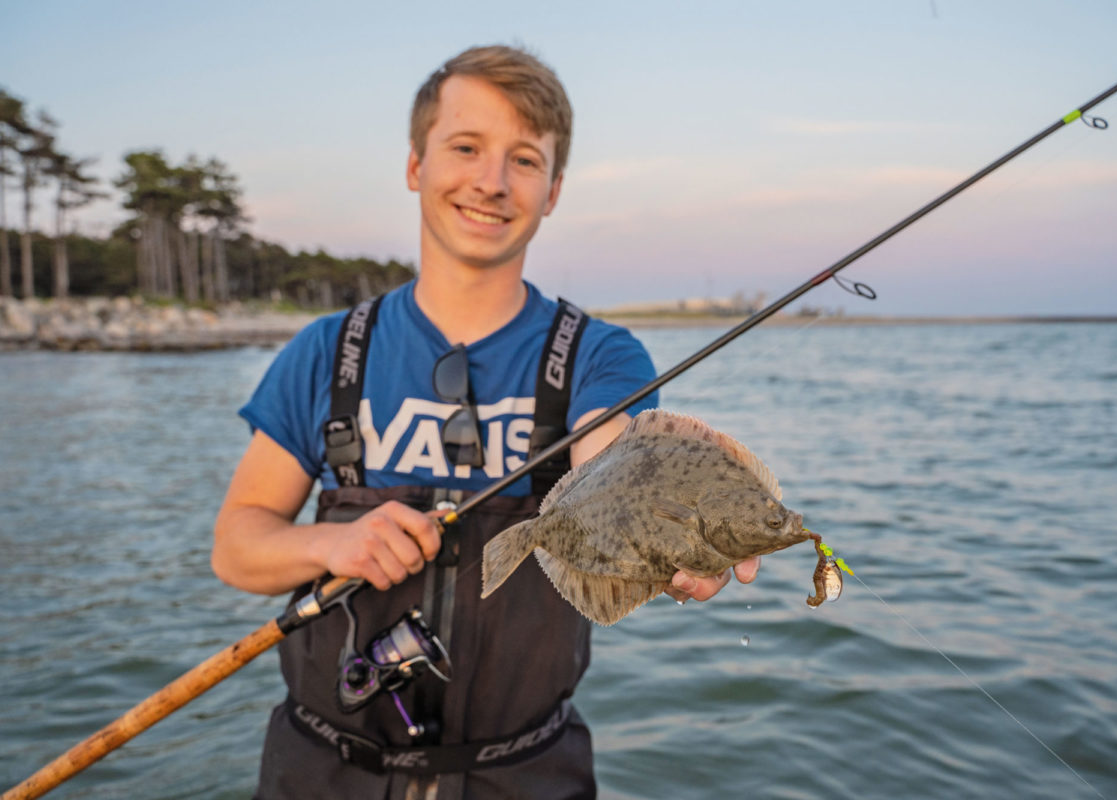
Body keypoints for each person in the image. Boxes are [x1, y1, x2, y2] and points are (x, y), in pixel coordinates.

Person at [212, 44, 761, 800]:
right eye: (466, 148)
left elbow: (614, 448)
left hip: (527, 774)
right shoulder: (324, 353)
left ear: (554, 189)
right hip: (320, 773)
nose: (492, 182)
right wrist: (334, 541)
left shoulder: (601, 355)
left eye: (525, 160)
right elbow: (237, 546)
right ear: (415, 165)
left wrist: (671, 514)